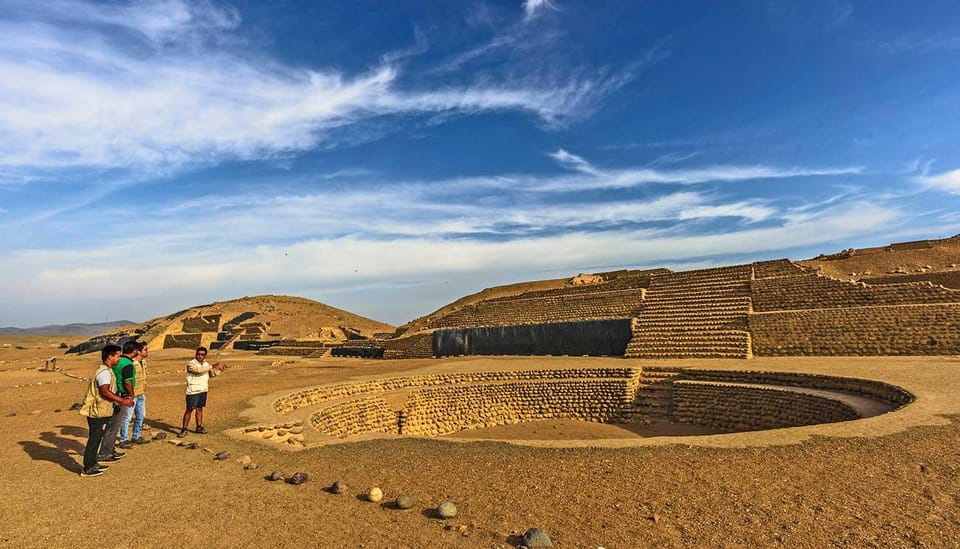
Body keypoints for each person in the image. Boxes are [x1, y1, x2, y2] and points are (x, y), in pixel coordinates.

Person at [78, 345, 133, 477]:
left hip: (102, 409)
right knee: (94, 439)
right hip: (98, 411)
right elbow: (105, 392)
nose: (119, 359)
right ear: (110, 356)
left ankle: (93, 463)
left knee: (97, 438)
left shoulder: (107, 370)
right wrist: (122, 401)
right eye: (118, 356)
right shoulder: (104, 373)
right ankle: (88, 467)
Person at [98, 340, 138, 462]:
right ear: (135, 351)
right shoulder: (127, 364)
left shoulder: (118, 362)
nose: (118, 358)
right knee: (113, 426)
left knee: (114, 425)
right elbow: (127, 382)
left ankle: (110, 450)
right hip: (121, 396)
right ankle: (104, 453)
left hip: (116, 394)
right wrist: (131, 394)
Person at [179, 346, 226, 437]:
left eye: (202, 355)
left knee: (200, 409)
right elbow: (198, 371)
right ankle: (184, 429)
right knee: (189, 410)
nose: (200, 356)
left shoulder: (206, 364)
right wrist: (212, 366)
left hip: (203, 390)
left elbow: (211, 374)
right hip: (193, 391)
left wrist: (219, 370)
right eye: (198, 354)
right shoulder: (191, 364)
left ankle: (199, 427)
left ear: (205, 356)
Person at [119, 341, 149, 448]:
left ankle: (136, 436)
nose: (147, 351)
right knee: (127, 417)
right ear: (138, 352)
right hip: (132, 395)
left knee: (141, 416)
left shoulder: (143, 362)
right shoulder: (131, 364)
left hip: (141, 393)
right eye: (145, 349)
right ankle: (123, 439)